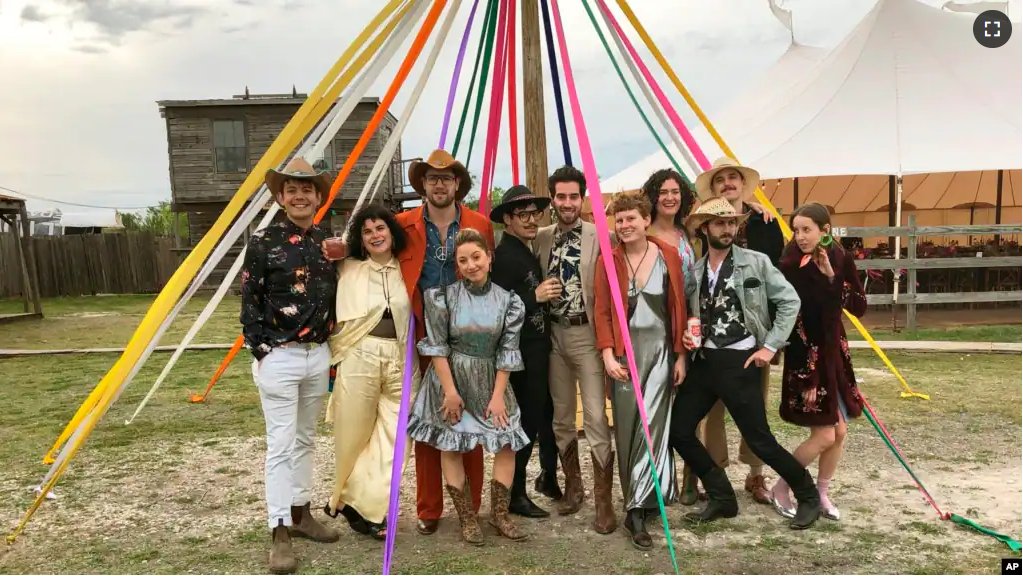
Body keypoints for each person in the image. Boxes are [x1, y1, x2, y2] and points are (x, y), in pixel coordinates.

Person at [669, 197, 821, 530]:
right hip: (705, 361)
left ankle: (807, 495)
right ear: (705, 227)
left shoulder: (756, 262)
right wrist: (689, 336)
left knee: (759, 440)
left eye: (731, 223)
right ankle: (722, 497)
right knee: (679, 430)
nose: (727, 229)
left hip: (742, 360)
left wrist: (770, 346)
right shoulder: (694, 271)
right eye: (720, 223)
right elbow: (691, 314)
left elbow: (789, 301)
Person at [240, 157, 340, 575]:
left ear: (318, 197)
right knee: (280, 443)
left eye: (307, 190)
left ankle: (301, 513)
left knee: (305, 439)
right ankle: (278, 529)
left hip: (318, 354)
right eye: (292, 190)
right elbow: (250, 303)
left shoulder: (326, 244)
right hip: (279, 354)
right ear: (280, 197)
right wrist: (263, 352)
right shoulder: (263, 242)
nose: (300, 196)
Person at [407, 228, 531, 545]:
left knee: (506, 442)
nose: (470, 265)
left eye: (476, 257)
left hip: (492, 377)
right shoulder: (442, 297)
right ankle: (467, 519)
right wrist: (449, 391)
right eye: (463, 260)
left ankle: (500, 515)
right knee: (451, 444)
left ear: (489, 258)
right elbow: (437, 347)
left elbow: (508, 351)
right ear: (457, 265)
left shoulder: (509, 302)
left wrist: (499, 395)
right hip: (451, 378)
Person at [593, 190, 687, 551]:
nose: (625, 225)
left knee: (655, 428)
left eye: (631, 218)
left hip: (662, 354)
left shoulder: (670, 257)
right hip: (624, 356)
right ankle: (634, 499)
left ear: (646, 220)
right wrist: (606, 355)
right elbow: (601, 310)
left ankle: (641, 506)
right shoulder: (609, 260)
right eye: (619, 220)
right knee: (629, 427)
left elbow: (678, 307)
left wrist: (680, 356)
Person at [693, 157, 787, 506]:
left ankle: (755, 474)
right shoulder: (702, 224)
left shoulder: (765, 223)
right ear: (714, 188)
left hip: (752, 337)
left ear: (742, 184)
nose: (728, 183)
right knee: (712, 412)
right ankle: (715, 473)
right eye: (722, 180)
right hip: (714, 336)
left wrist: (773, 341)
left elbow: (777, 281)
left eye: (734, 178)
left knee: (754, 411)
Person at [322, 204, 415, 541]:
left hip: (401, 358)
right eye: (368, 231)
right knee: (353, 437)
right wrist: (340, 246)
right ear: (359, 238)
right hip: (359, 355)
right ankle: (364, 510)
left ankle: (355, 503)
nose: (376, 235)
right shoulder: (347, 267)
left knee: (398, 439)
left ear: (392, 232)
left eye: (381, 228)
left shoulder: (407, 268)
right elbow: (323, 246)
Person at [771, 202, 867, 521]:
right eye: (796, 230)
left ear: (825, 231)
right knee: (825, 434)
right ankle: (783, 485)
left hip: (834, 355)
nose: (800, 236)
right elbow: (790, 317)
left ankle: (822, 492)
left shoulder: (839, 256)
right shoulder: (788, 264)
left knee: (840, 433)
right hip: (807, 358)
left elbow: (858, 304)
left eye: (806, 229)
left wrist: (832, 277)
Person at [533, 165, 616, 534]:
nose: (567, 203)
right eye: (560, 196)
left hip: (587, 336)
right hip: (554, 335)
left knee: (597, 416)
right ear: (552, 198)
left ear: (582, 197)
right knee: (562, 417)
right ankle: (574, 487)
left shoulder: (600, 236)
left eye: (573, 196)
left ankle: (604, 501)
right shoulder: (543, 237)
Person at [489, 185, 562, 518]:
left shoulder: (525, 249)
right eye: (523, 215)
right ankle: (513, 494)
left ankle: (543, 480)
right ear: (507, 219)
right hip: (519, 355)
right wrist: (537, 297)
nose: (532, 220)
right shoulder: (504, 256)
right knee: (524, 423)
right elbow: (497, 309)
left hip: (536, 348)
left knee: (540, 418)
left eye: (536, 213)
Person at [640, 168, 702, 504]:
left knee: (691, 407)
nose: (669, 197)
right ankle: (660, 479)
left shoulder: (687, 232)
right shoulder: (645, 233)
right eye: (663, 191)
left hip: (691, 326)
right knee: (659, 409)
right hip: (659, 328)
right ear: (653, 195)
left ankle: (692, 474)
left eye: (675, 191)